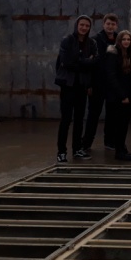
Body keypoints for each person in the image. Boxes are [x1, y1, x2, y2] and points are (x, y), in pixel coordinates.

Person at [54, 15, 98, 162]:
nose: (84, 28)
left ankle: (77, 149)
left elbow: (95, 62)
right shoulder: (67, 40)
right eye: (82, 25)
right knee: (66, 119)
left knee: (79, 119)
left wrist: (81, 62)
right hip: (68, 85)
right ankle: (61, 151)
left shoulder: (91, 43)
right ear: (77, 25)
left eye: (87, 25)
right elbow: (66, 62)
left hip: (82, 86)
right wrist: (85, 61)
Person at [82, 13, 118, 151]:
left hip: (112, 84)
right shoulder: (95, 40)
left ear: (116, 26)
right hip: (97, 83)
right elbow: (89, 65)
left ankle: (109, 141)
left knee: (112, 114)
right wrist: (89, 85)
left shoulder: (119, 39)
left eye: (113, 24)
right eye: (108, 23)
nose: (110, 26)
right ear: (103, 24)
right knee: (93, 114)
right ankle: (86, 143)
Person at [104, 30, 131, 161]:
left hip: (129, 95)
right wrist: (122, 95)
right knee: (119, 124)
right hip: (118, 97)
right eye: (124, 39)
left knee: (124, 124)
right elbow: (111, 77)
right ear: (119, 41)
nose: (126, 42)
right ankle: (119, 152)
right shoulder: (113, 55)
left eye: (128, 39)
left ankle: (122, 147)